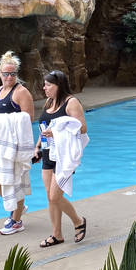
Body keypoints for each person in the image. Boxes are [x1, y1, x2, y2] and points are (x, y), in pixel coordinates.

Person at [35, 69, 88, 247]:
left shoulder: (71, 103)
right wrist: (37, 147)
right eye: (45, 84)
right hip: (48, 153)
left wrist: (57, 131)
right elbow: (44, 127)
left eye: (48, 85)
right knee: (50, 198)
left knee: (55, 196)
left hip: (64, 156)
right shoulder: (49, 102)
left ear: (59, 85)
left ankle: (78, 221)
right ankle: (57, 235)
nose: (44, 88)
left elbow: (82, 128)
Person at [0, 51, 35, 235]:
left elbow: (28, 118)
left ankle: (16, 220)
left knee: (16, 182)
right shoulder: (0, 90)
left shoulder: (21, 92)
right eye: (6, 73)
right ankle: (17, 206)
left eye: (13, 74)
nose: (9, 77)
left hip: (13, 145)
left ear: (17, 74)